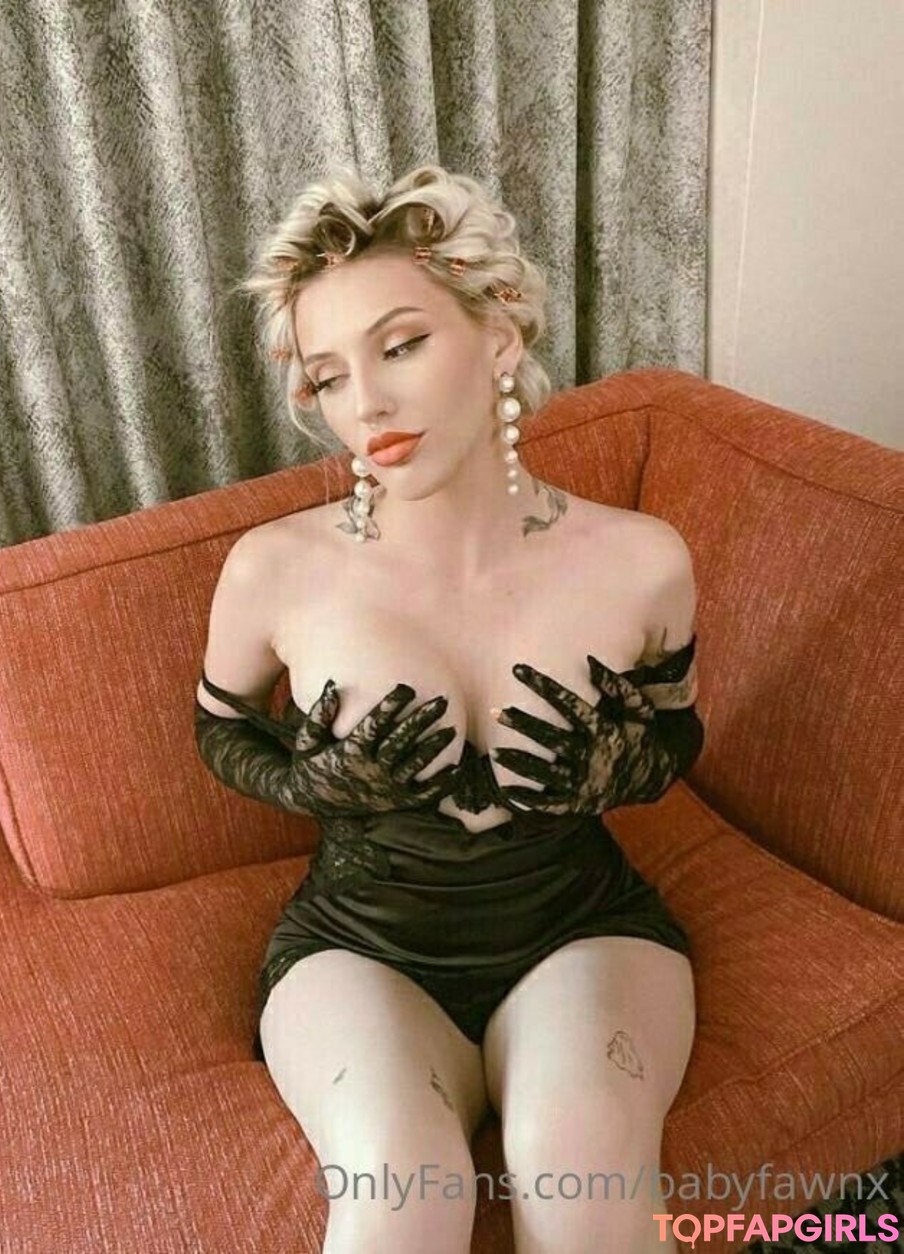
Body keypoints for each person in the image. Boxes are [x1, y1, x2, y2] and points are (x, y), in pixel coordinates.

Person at [193, 164, 704, 1254]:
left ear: (501, 334)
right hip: (357, 946)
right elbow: (220, 725)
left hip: (581, 929)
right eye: (328, 376)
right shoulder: (273, 570)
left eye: (401, 346)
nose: (364, 407)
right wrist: (306, 781)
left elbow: (677, 728)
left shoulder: (641, 560)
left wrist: (625, 768)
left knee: (582, 1178)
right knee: (398, 1191)